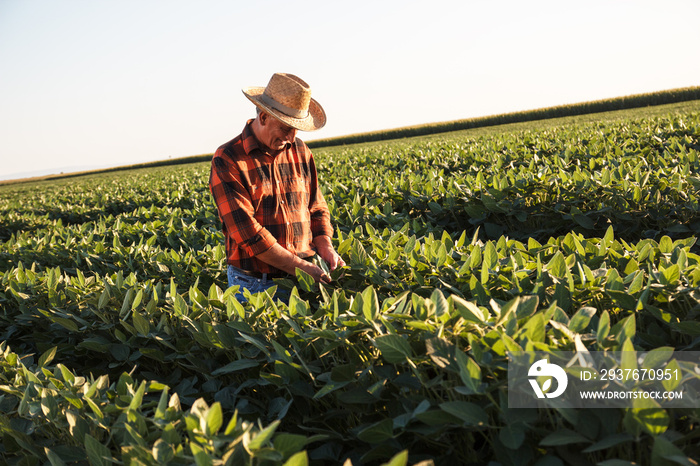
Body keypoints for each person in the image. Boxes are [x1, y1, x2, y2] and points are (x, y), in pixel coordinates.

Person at [209, 72, 345, 301]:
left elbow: (317, 207)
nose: (291, 137)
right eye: (285, 128)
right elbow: (248, 234)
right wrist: (300, 267)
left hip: (304, 276)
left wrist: (325, 245)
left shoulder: (300, 151)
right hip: (254, 284)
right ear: (263, 117)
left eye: (296, 129)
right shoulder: (229, 158)